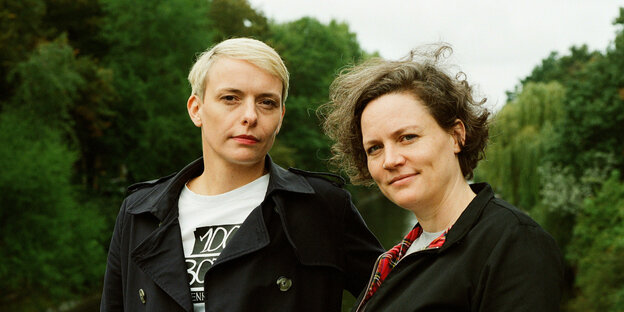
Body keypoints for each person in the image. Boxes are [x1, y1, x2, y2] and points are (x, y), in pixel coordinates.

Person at [100, 38, 384, 312]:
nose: (250, 116)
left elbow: (397, 295)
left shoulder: (322, 207)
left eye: (267, 103)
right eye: (230, 98)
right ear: (196, 109)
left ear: (281, 117)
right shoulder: (139, 214)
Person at [321, 46, 564, 311]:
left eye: (407, 137)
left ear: (457, 135)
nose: (390, 160)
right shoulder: (399, 256)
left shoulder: (513, 243)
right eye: (375, 148)